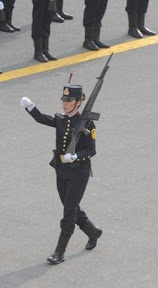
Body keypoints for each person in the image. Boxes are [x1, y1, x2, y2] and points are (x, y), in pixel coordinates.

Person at [20, 84, 102, 264]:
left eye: (69, 101)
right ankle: (92, 231)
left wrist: (76, 156)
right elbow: (42, 119)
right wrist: (30, 107)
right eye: (64, 100)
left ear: (79, 102)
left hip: (79, 172)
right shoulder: (60, 119)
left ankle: (59, 252)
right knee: (70, 206)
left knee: (68, 212)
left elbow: (91, 150)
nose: (65, 104)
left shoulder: (88, 124)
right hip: (61, 170)